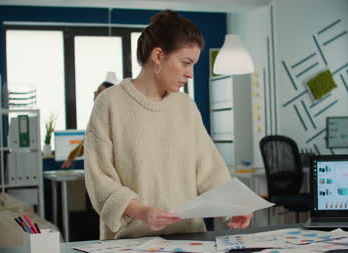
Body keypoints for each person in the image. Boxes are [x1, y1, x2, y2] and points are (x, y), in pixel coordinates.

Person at [84, 10, 252, 240]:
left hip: (189, 240)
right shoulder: (109, 103)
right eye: (186, 63)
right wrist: (141, 211)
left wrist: (233, 206)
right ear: (158, 56)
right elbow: (99, 179)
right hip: (129, 245)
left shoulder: (185, 106)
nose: (190, 74)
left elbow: (210, 171)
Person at [60, 80, 115, 169]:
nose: (95, 93)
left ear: (108, 95)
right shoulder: (98, 115)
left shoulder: (111, 116)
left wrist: (70, 158)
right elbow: (86, 141)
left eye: (99, 90)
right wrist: (70, 158)